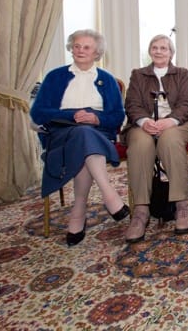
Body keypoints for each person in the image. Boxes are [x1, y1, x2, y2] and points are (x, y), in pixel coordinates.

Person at [30, 29, 129, 247]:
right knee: (82, 135)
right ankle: (109, 194)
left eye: (86, 47)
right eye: (76, 46)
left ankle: (79, 210)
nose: (80, 50)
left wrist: (95, 118)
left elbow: (117, 117)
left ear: (97, 53)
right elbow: (38, 113)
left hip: (98, 133)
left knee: (85, 136)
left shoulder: (107, 80)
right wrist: (72, 115)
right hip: (61, 134)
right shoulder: (55, 77)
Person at [122, 34, 188, 243]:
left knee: (170, 139)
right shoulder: (138, 75)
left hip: (178, 124)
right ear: (150, 51)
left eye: (164, 48)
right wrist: (143, 121)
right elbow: (132, 104)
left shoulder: (182, 74)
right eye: (155, 47)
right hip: (144, 124)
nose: (159, 51)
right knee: (140, 144)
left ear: (171, 53)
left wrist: (171, 121)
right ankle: (141, 210)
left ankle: (182, 204)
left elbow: (187, 103)